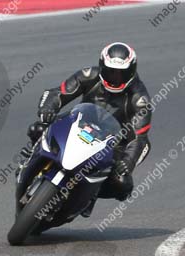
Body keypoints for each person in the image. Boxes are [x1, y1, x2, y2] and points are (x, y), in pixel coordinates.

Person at [24, 42, 151, 217]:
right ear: (102, 66)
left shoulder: (139, 98)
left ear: (132, 71)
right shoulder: (88, 75)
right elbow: (57, 93)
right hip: (77, 123)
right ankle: (31, 159)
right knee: (38, 128)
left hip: (111, 143)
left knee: (122, 183)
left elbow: (140, 138)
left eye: (121, 73)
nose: (115, 78)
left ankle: (91, 194)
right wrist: (48, 109)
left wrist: (128, 161)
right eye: (111, 71)